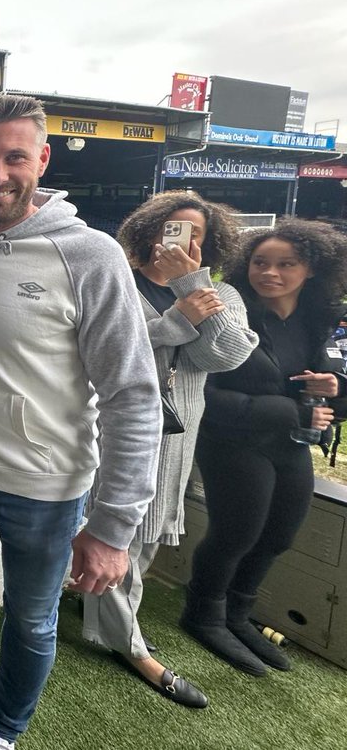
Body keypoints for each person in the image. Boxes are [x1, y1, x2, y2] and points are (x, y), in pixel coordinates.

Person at [0, 93, 161, 750]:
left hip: (47, 492)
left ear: (42, 160)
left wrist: (112, 529)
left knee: (32, 621)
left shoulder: (92, 256)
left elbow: (133, 397)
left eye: (14, 157)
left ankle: (1, 733)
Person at [83, 190, 257, 708]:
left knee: (152, 532)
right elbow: (109, 350)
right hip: (117, 429)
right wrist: (177, 320)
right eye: (173, 229)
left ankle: (107, 617)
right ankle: (129, 645)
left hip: (178, 435)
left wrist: (191, 286)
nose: (183, 241)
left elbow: (225, 355)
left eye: (196, 233)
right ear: (147, 230)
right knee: (118, 532)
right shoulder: (120, 283)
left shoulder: (218, 292)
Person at [183, 219, 347, 674]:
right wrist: (288, 412)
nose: (270, 273)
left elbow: (332, 394)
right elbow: (204, 395)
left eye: (285, 264)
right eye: (260, 263)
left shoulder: (320, 319)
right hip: (231, 442)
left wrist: (337, 387)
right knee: (236, 533)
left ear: (311, 269)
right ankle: (203, 613)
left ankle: (237, 615)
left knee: (278, 536)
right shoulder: (228, 313)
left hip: (290, 445)